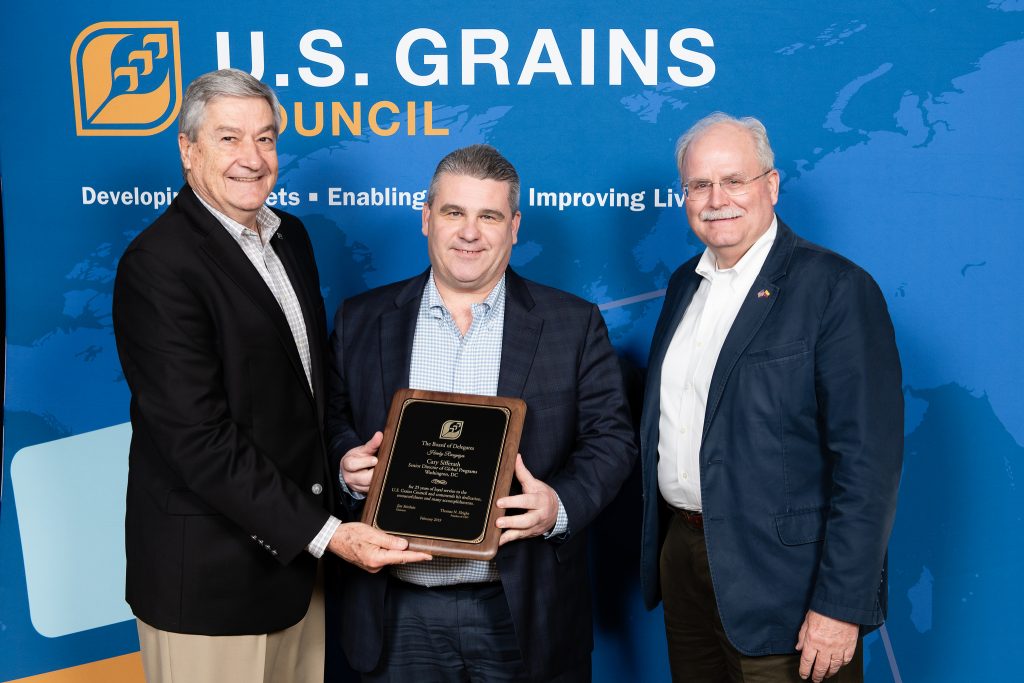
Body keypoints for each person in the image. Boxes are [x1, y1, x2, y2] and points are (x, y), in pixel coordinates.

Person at [112, 68, 428, 683]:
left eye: (265, 139)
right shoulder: (159, 265)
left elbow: (296, 392)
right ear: (188, 149)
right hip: (213, 584)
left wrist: (339, 465)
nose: (252, 159)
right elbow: (197, 439)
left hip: (297, 572)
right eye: (229, 138)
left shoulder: (290, 238)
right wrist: (329, 534)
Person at [327, 144, 637, 682]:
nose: (469, 233)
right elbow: (331, 419)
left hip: (522, 608)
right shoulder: (362, 318)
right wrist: (345, 466)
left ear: (513, 227)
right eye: (454, 212)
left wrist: (558, 505)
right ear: (427, 217)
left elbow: (612, 439)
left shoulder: (572, 322)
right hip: (396, 611)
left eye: (489, 216)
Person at [639, 113, 903, 683]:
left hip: (787, 584)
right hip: (685, 562)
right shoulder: (685, 284)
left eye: (734, 180)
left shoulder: (835, 288)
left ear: (771, 184)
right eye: (699, 185)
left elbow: (869, 464)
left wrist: (841, 605)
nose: (717, 200)